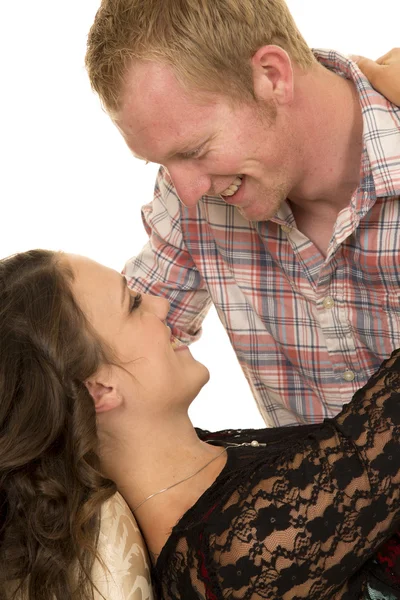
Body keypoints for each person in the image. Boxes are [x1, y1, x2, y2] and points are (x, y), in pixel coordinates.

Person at [4, 249, 400, 599]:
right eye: (134, 303)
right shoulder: (240, 549)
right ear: (100, 389)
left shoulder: (207, 464)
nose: (161, 306)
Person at [85, 0, 400, 427]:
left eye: (195, 151)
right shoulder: (191, 196)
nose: (187, 192)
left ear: (272, 75)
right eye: (160, 163)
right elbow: (105, 359)